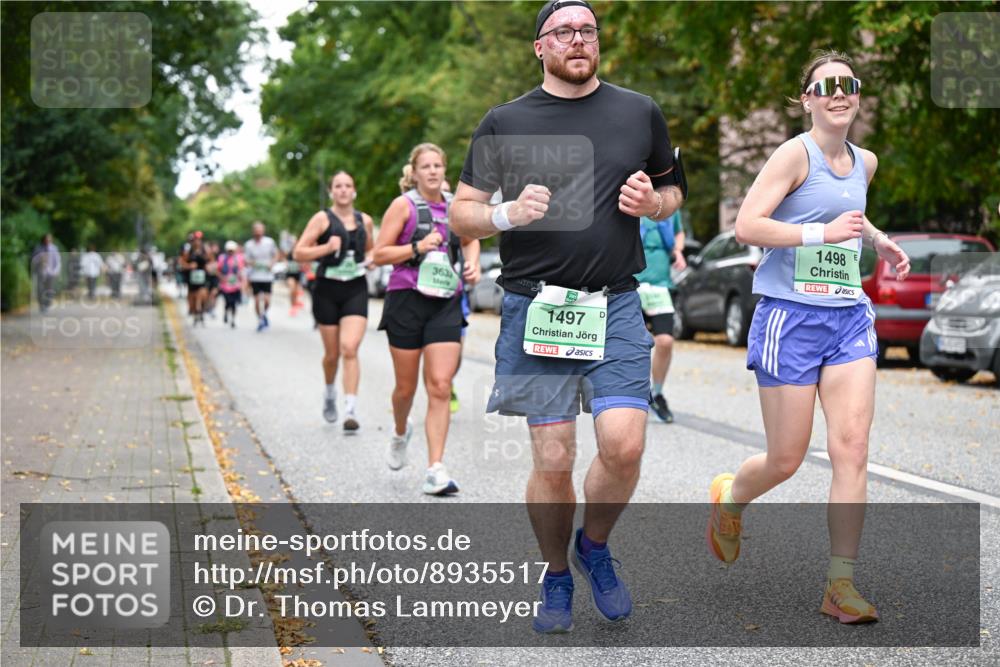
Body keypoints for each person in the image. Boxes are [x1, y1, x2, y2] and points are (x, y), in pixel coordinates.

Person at [450, 0, 685, 633]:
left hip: (616, 303)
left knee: (624, 444)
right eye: (564, 32)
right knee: (554, 459)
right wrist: (506, 215)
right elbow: (461, 212)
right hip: (537, 307)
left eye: (588, 30)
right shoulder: (505, 121)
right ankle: (556, 574)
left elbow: (672, 192)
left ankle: (595, 547)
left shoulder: (639, 112)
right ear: (540, 47)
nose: (578, 40)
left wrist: (652, 202)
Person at [705, 51, 911, 625]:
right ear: (809, 99)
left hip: (847, 318)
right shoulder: (792, 154)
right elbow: (747, 225)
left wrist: (879, 239)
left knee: (852, 449)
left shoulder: (864, 162)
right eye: (827, 87)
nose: (839, 94)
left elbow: (851, 212)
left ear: (858, 95)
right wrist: (818, 233)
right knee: (786, 458)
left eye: (848, 84)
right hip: (789, 319)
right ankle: (730, 497)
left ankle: (839, 585)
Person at [373, 144, 480, 495]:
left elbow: (470, 239)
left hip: (446, 302)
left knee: (439, 384)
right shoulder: (402, 206)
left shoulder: (455, 206)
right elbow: (380, 254)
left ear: (444, 169)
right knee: (405, 388)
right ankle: (401, 431)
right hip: (406, 300)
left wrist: (472, 263)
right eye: (425, 166)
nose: (433, 171)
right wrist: (418, 247)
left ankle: (435, 468)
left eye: (438, 165)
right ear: (414, 172)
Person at [293, 171, 375, 432]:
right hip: (326, 289)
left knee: (349, 348)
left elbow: (372, 248)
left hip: (355, 288)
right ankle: (329, 393)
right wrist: (326, 248)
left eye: (347, 185)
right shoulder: (321, 219)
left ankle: (350, 409)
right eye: (338, 186)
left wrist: (372, 259)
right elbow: (298, 252)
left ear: (354, 191)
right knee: (332, 355)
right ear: (331, 192)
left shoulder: (366, 221)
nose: (343, 190)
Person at [635, 211, 686, 423]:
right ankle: (629, 394)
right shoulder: (630, 201)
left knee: (665, 341)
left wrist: (677, 251)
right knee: (631, 343)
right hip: (630, 285)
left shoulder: (667, 206)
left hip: (660, 286)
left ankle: (656, 393)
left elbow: (678, 232)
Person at [244, 221, 279, 332]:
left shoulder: (269, 242)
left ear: (263, 231)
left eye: (260, 230)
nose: (258, 232)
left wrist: (272, 263)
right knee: (257, 300)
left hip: (267, 276)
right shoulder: (249, 244)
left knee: (267, 300)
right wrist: (252, 263)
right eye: (256, 230)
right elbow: (246, 260)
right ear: (253, 231)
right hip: (255, 276)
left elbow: (276, 255)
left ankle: (264, 314)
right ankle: (260, 320)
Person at [180, 231, 213, 325]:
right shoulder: (188, 251)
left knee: (203, 294)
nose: (197, 242)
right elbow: (182, 263)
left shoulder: (205, 250)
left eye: (199, 240)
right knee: (192, 297)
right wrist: (189, 266)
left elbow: (211, 261)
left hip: (203, 276)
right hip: (192, 278)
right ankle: (195, 312)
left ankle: (201, 310)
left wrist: (209, 267)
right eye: (195, 240)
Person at [217, 241, 246, 328]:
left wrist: (243, 283)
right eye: (229, 250)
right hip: (225, 285)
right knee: (227, 302)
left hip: (235, 285)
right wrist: (222, 278)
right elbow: (218, 270)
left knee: (234, 303)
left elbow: (242, 271)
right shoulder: (222, 258)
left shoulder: (239, 258)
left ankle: (233, 319)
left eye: (232, 251)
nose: (230, 252)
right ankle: (226, 313)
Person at [32, 234, 61, 312]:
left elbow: (57, 261)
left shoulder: (54, 248)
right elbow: (33, 261)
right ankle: (41, 305)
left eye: (50, 239)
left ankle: (47, 304)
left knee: (49, 289)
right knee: (40, 289)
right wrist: (40, 257)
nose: (48, 241)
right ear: (43, 240)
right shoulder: (38, 248)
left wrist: (56, 270)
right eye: (47, 239)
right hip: (41, 272)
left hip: (51, 272)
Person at [282, 234, 306, 316]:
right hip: (290, 273)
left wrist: (302, 265)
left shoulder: (300, 251)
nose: (294, 243)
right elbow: (284, 259)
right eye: (293, 242)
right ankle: (292, 305)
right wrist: (286, 263)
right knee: (292, 289)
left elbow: (304, 261)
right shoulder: (289, 251)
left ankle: (294, 306)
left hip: (298, 273)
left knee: (295, 291)